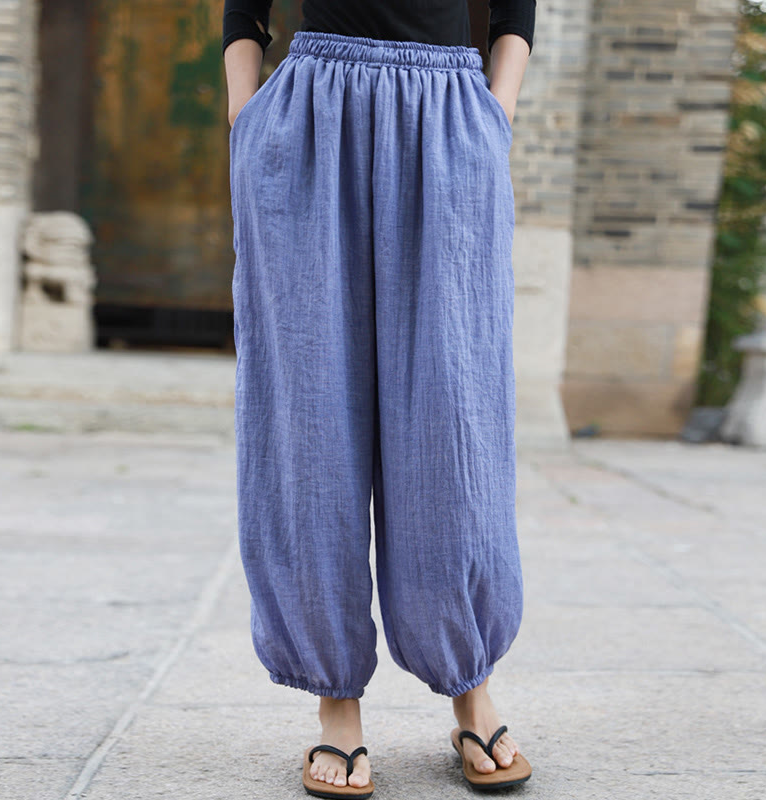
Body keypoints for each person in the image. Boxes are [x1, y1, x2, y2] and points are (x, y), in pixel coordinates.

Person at [223, 2, 535, 797]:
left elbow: (516, 6)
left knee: (452, 420)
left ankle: (471, 688)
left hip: (448, 116)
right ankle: (337, 707)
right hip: (310, 115)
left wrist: (495, 115)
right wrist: (245, 116)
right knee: (309, 418)